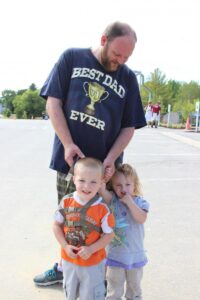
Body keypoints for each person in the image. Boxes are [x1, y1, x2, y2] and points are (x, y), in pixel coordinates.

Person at [33, 21, 147, 286]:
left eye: (126, 57)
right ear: (104, 39)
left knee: (104, 223)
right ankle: (64, 266)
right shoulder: (72, 57)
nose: (120, 61)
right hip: (72, 165)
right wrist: (67, 143)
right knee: (70, 219)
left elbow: (129, 126)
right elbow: (53, 102)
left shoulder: (128, 78)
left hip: (106, 171)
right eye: (117, 54)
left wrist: (111, 159)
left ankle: (103, 273)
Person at [53, 157, 115, 299]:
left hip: (92, 264)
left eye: (93, 182)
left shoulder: (103, 209)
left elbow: (109, 235)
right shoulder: (66, 201)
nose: (86, 186)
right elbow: (56, 225)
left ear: (101, 183)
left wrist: (91, 249)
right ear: (74, 179)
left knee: (91, 294)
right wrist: (65, 246)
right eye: (82, 181)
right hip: (69, 260)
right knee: (70, 293)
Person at [99, 163, 149, 300]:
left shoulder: (140, 202)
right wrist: (103, 178)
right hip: (115, 255)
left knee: (134, 288)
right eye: (118, 185)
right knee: (114, 289)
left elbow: (141, 218)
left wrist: (130, 203)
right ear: (113, 186)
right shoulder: (112, 200)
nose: (123, 189)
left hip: (135, 254)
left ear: (135, 184)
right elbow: (101, 189)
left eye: (127, 184)